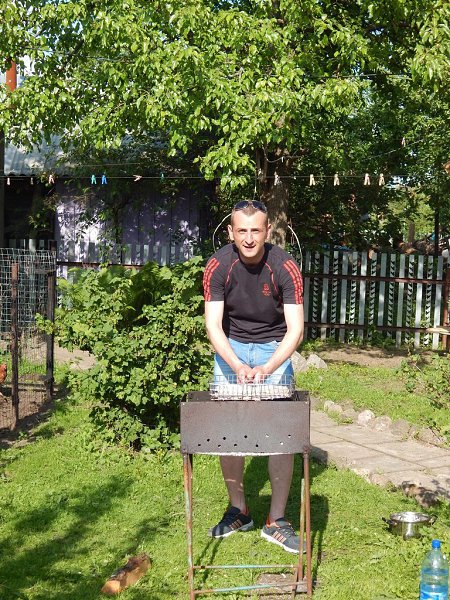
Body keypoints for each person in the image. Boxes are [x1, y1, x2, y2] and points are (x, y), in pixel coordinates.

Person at [202, 199, 304, 553]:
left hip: (273, 349)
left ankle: (277, 520)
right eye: (242, 230)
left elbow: (296, 329)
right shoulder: (218, 265)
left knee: (281, 435)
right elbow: (213, 325)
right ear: (231, 232)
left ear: (267, 232)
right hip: (231, 348)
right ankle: (238, 510)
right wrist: (235, 365)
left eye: (255, 230)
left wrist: (268, 367)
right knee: (228, 433)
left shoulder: (285, 266)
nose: (248, 238)